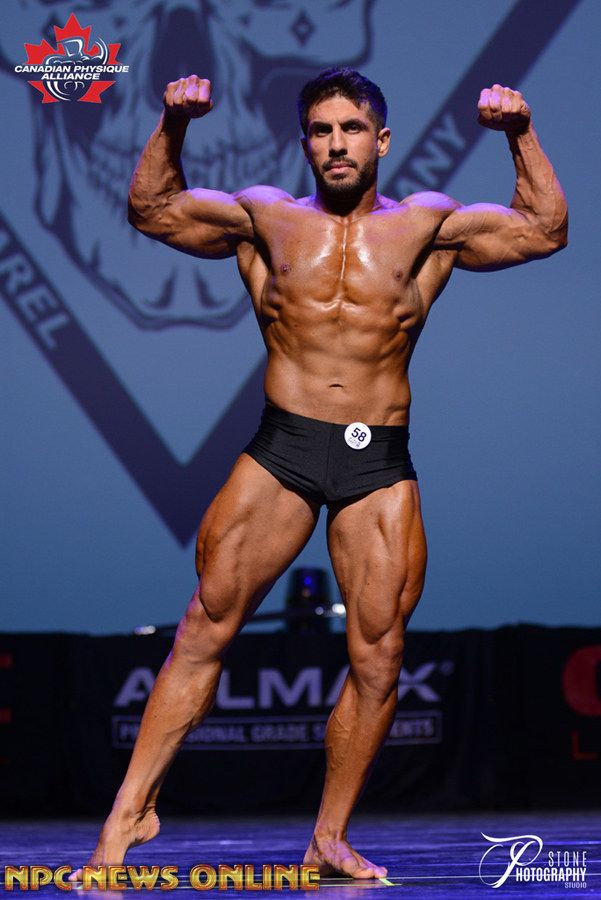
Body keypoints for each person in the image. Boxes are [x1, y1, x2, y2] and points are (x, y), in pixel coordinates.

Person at [72, 67, 567, 880]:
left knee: (378, 655)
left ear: (381, 139)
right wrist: (172, 123)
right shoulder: (265, 218)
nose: (336, 144)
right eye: (320, 130)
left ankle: (327, 837)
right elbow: (152, 209)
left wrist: (519, 134)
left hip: (377, 457)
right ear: (304, 142)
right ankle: (127, 815)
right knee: (204, 626)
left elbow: (544, 231)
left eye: (351, 129)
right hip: (285, 446)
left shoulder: (426, 225)